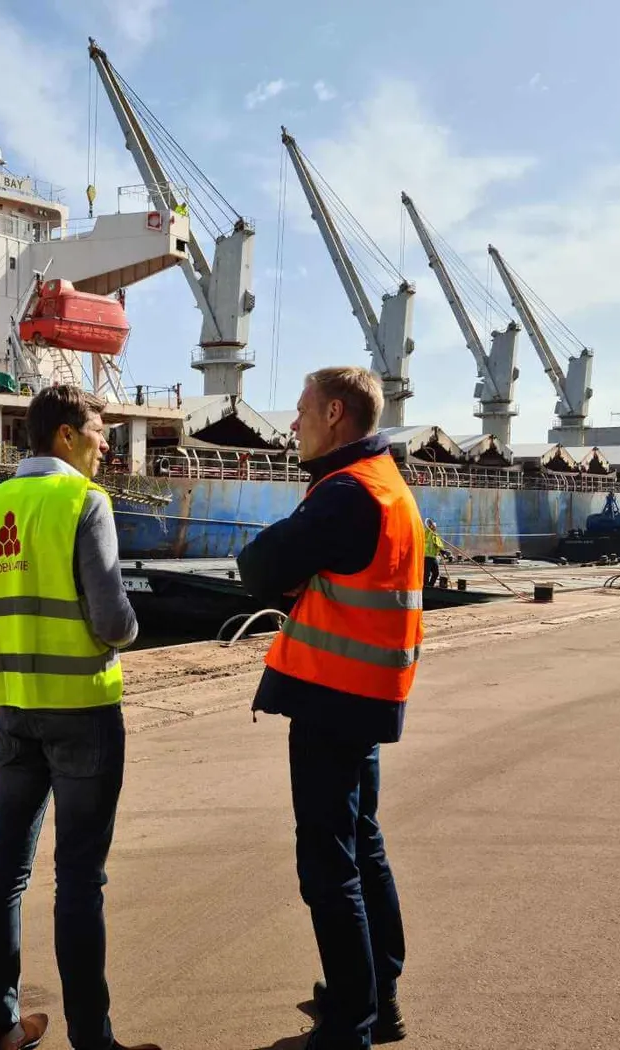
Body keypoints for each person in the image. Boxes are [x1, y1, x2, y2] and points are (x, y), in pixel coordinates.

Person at [0, 384, 159, 1050]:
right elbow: (113, 621)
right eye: (99, 429)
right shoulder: (82, 502)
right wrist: (125, 628)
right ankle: (93, 1040)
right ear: (66, 436)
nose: (107, 443)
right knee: (78, 879)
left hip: (13, 712)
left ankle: (3, 1029)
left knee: (5, 868)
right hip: (84, 716)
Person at [237, 366, 423, 1050]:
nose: (293, 423)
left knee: (328, 863)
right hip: (370, 692)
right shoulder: (386, 486)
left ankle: (351, 1023)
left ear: (336, 413)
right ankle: (380, 998)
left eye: (301, 409)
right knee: (362, 845)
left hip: (332, 694)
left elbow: (259, 566)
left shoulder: (346, 493)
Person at [422, 519, 444, 588]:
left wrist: (442, 551)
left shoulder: (435, 535)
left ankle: (430, 586)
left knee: (436, 573)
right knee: (426, 574)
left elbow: (438, 544)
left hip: (433, 557)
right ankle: (426, 586)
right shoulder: (427, 533)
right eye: (433, 526)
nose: (435, 528)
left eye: (435, 527)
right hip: (426, 557)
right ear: (430, 526)